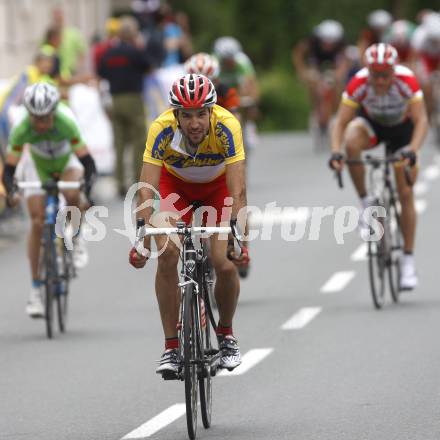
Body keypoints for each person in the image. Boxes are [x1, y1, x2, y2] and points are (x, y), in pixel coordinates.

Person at [129, 74, 249, 375]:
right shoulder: (161, 128)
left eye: (200, 114)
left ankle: (226, 335)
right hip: (175, 188)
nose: (194, 123)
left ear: (211, 111)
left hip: (216, 188)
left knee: (223, 263)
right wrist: (142, 237)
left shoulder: (227, 126)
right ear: (176, 115)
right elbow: (147, 188)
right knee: (168, 253)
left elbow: (238, 190)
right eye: (186, 115)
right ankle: (171, 347)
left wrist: (238, 234)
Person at [329, 43, 428, 290]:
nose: (381, 81)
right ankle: (365, 203)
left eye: (385, 75)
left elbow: (421, 120)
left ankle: (407, 260)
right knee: (352, 139)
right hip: (372, 127)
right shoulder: (358, 84)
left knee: (405, 192)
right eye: (375, 75)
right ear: (367, 71)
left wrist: (412, 150)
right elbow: (340, 123)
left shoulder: (407, 80)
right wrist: (336, 152)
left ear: (394, 71)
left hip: (402, 134)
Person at [1, 83, 96, 317]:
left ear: (54, 112)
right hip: (38, 165)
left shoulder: (66, 121)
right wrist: (12, 190)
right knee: (36, 221)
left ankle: (75, 238)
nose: (42, 124)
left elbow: (87, 162)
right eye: (37, 119)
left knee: (73, 193)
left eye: (46, 118)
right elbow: (10, 167)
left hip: (66, 161)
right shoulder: (22, 128)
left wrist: (88, 190)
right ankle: (35, 291)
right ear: (29, 115)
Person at [98, 15, 151, 197]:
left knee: (119, 143)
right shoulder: (136, 51)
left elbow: (101, 73)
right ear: (133, 33)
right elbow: (149, 67)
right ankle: (137, 181)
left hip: (115, 100)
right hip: (133, 98)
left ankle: (120, 182)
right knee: (138, 141)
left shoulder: (108, 53)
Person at [292, 20, 349, 136]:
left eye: (331, 43)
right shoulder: (312, 41)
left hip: (333, 63)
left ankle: (335, 113)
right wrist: (302, 71)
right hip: (315, 63)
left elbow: (345, 61)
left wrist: (339, 74)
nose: (328, 46)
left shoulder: (341, 44)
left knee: (338, 84)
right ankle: (315, 111)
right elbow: (297, 53)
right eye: (325, 42)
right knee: (313, 82)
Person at [411, 12, 440, 117]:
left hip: (437, 58)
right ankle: (428, 110)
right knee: (425, 84)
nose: (435, 42)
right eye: (433, 40)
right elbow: (414, 58)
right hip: (425, 58)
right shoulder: (419, 35)